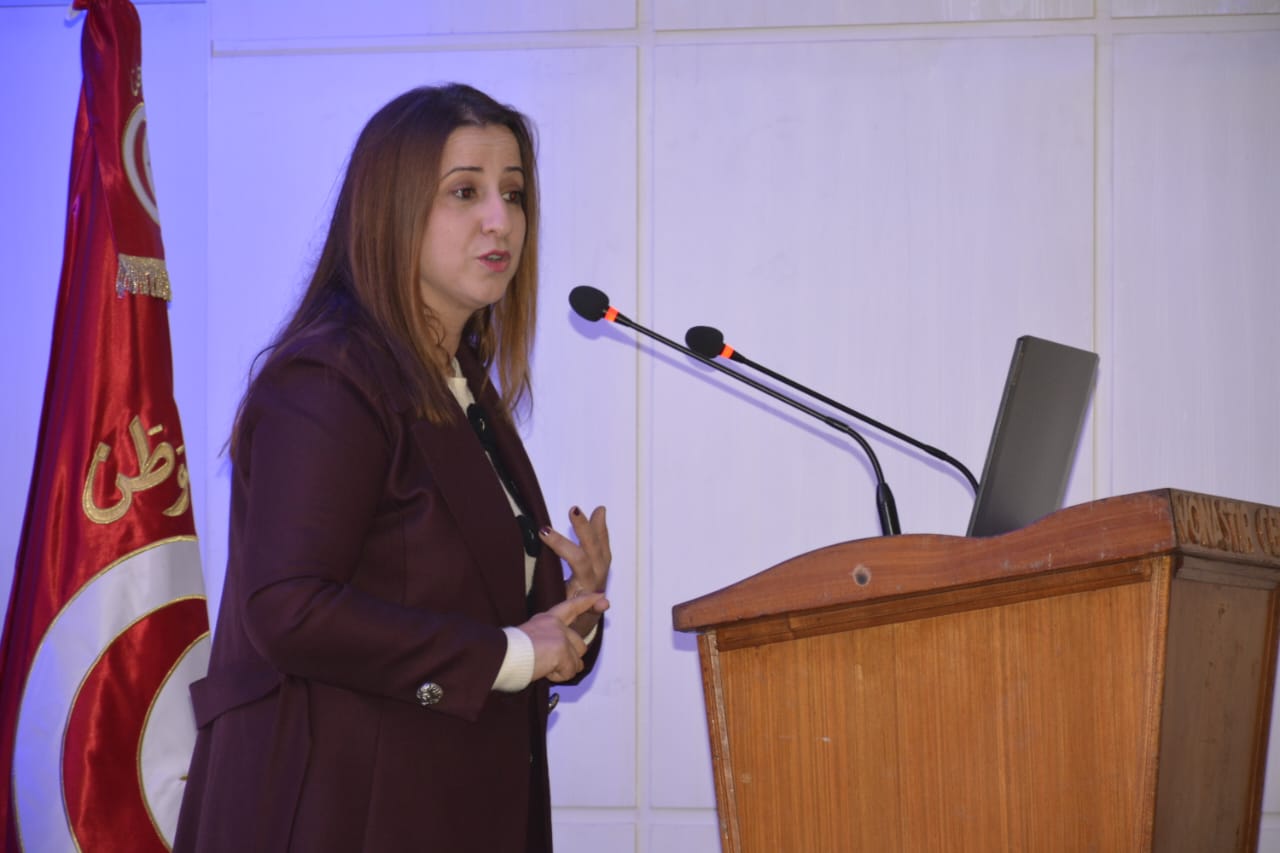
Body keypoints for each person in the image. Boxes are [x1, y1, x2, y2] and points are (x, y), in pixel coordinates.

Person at [174, 83, 611, 853]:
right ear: (391, 209)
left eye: (513, 193)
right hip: (340, 814)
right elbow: (289, 609)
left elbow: (468, 608)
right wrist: (514, 653)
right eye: (465, 192)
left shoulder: (461, 381)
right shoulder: (328, 377)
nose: (500, 219)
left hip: (449, 805)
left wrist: (571, 612)